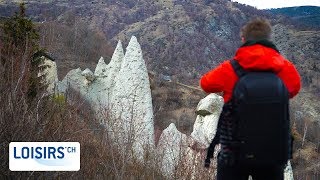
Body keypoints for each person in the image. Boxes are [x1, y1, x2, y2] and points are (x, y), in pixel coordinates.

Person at [200, 18, 301, 180]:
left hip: (234, 153)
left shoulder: (230, 68)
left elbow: (205, 84)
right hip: (272, 154)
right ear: (269, 39)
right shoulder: (285, 69)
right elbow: (294, 89)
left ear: (243, 39)